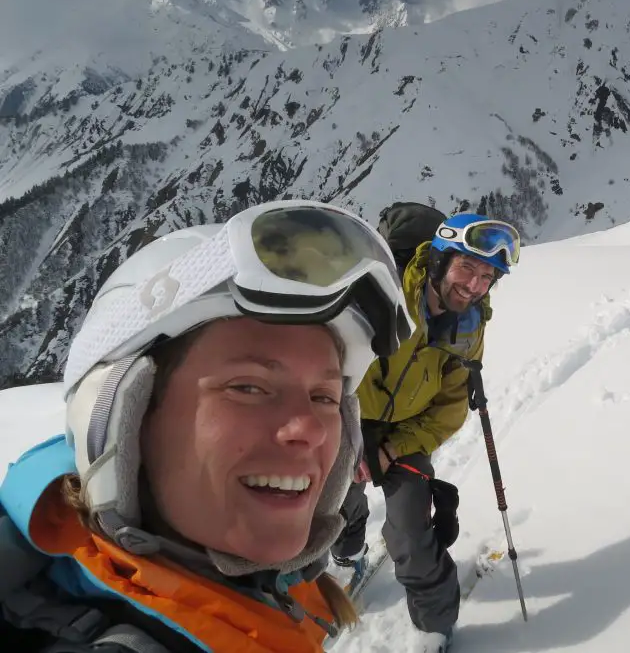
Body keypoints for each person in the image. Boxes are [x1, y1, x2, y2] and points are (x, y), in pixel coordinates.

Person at [0, 200, 414, 652]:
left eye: (324, 397)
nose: (309, 429)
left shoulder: (263, 599)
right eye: (249, 388)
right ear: (126, 423)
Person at [330, 211, 521, 651]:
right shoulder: (381, 297)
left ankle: (434, 626)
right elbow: (329, 366)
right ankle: (347, 551)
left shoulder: (468, 328)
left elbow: (450, 410)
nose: (474, 285)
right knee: (338, 497)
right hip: (347, 415)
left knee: (411, 534)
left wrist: (392, 448)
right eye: (466, 268)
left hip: (407, 432)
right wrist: (351, 435)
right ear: (437, 262)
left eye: (486, 276)